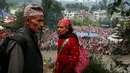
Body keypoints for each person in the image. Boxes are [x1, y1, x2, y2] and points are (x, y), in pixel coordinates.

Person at [5, 3, 44, 73]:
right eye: (39, 21)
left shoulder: (32, 37)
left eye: (42, 21)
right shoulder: (19, 40)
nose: (42, 24)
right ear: (27, 21)